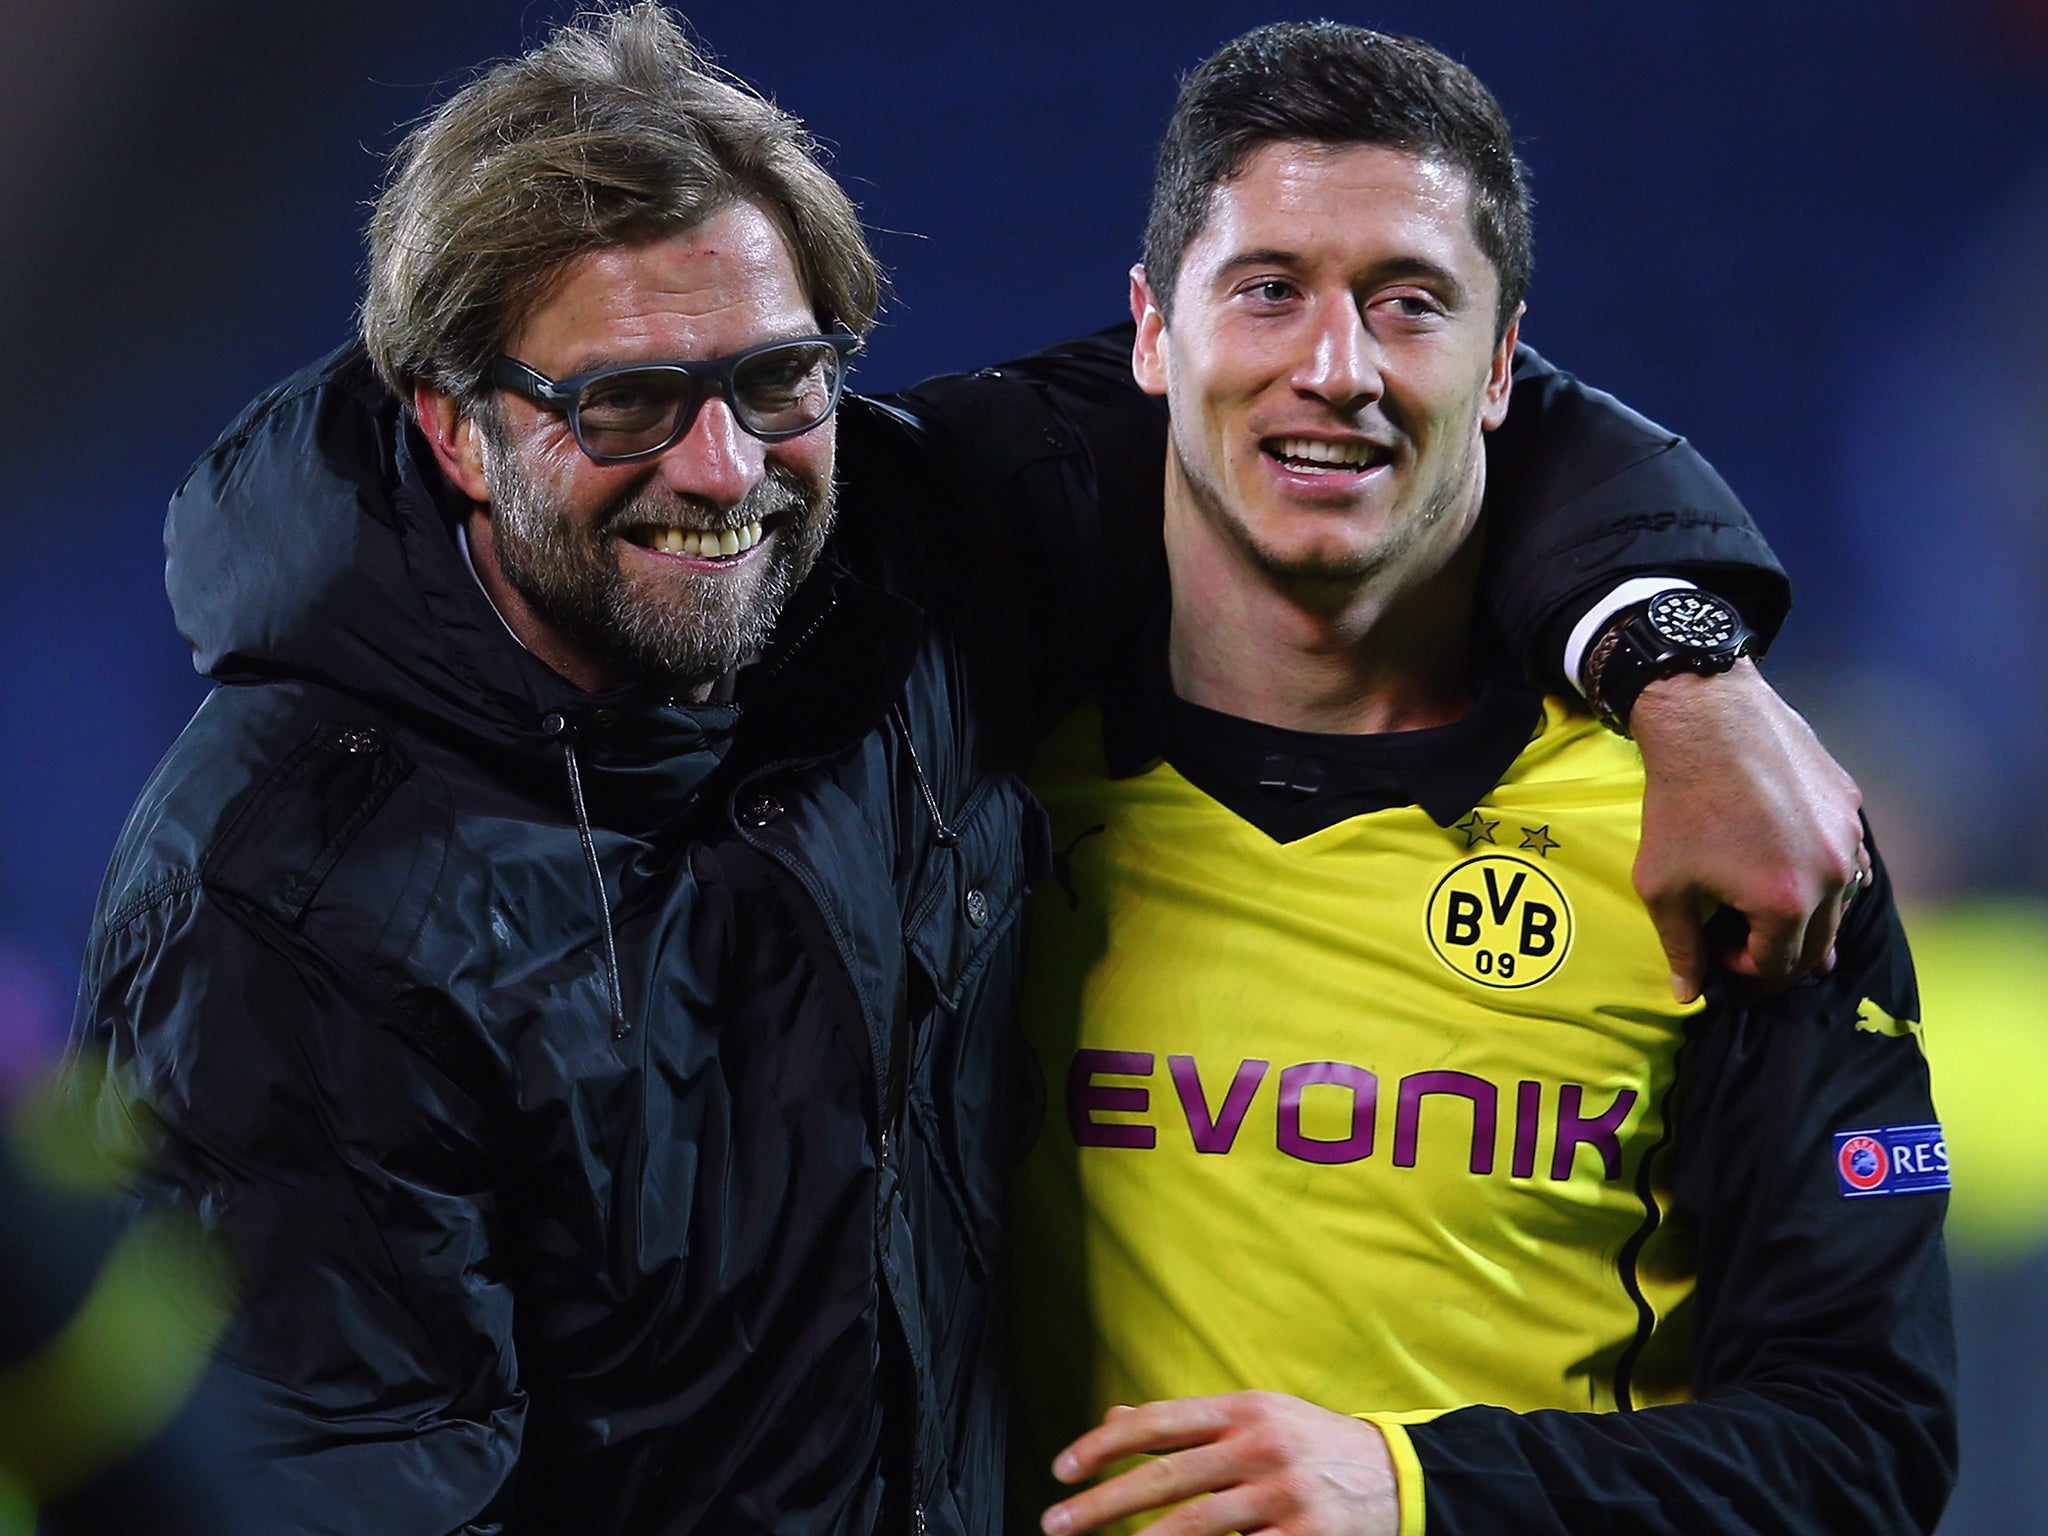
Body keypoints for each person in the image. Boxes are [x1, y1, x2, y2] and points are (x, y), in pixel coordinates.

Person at [69, 6, 1862, 1533]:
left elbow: (1395, 417)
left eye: (777, 381)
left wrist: (1681, 671)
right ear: (458, 429)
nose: (721, 469)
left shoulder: (890, 567)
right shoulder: (288, 898)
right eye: (624, 403)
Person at [1010, 22, 1952, 1536]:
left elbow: (1863, 1448)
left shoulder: (1723, 835)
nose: (1337, 370)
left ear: (1504, 364)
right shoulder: (967, 800)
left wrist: (1416, 1491)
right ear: (1151, 334)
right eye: (1268, 290)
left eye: (1410, 304)